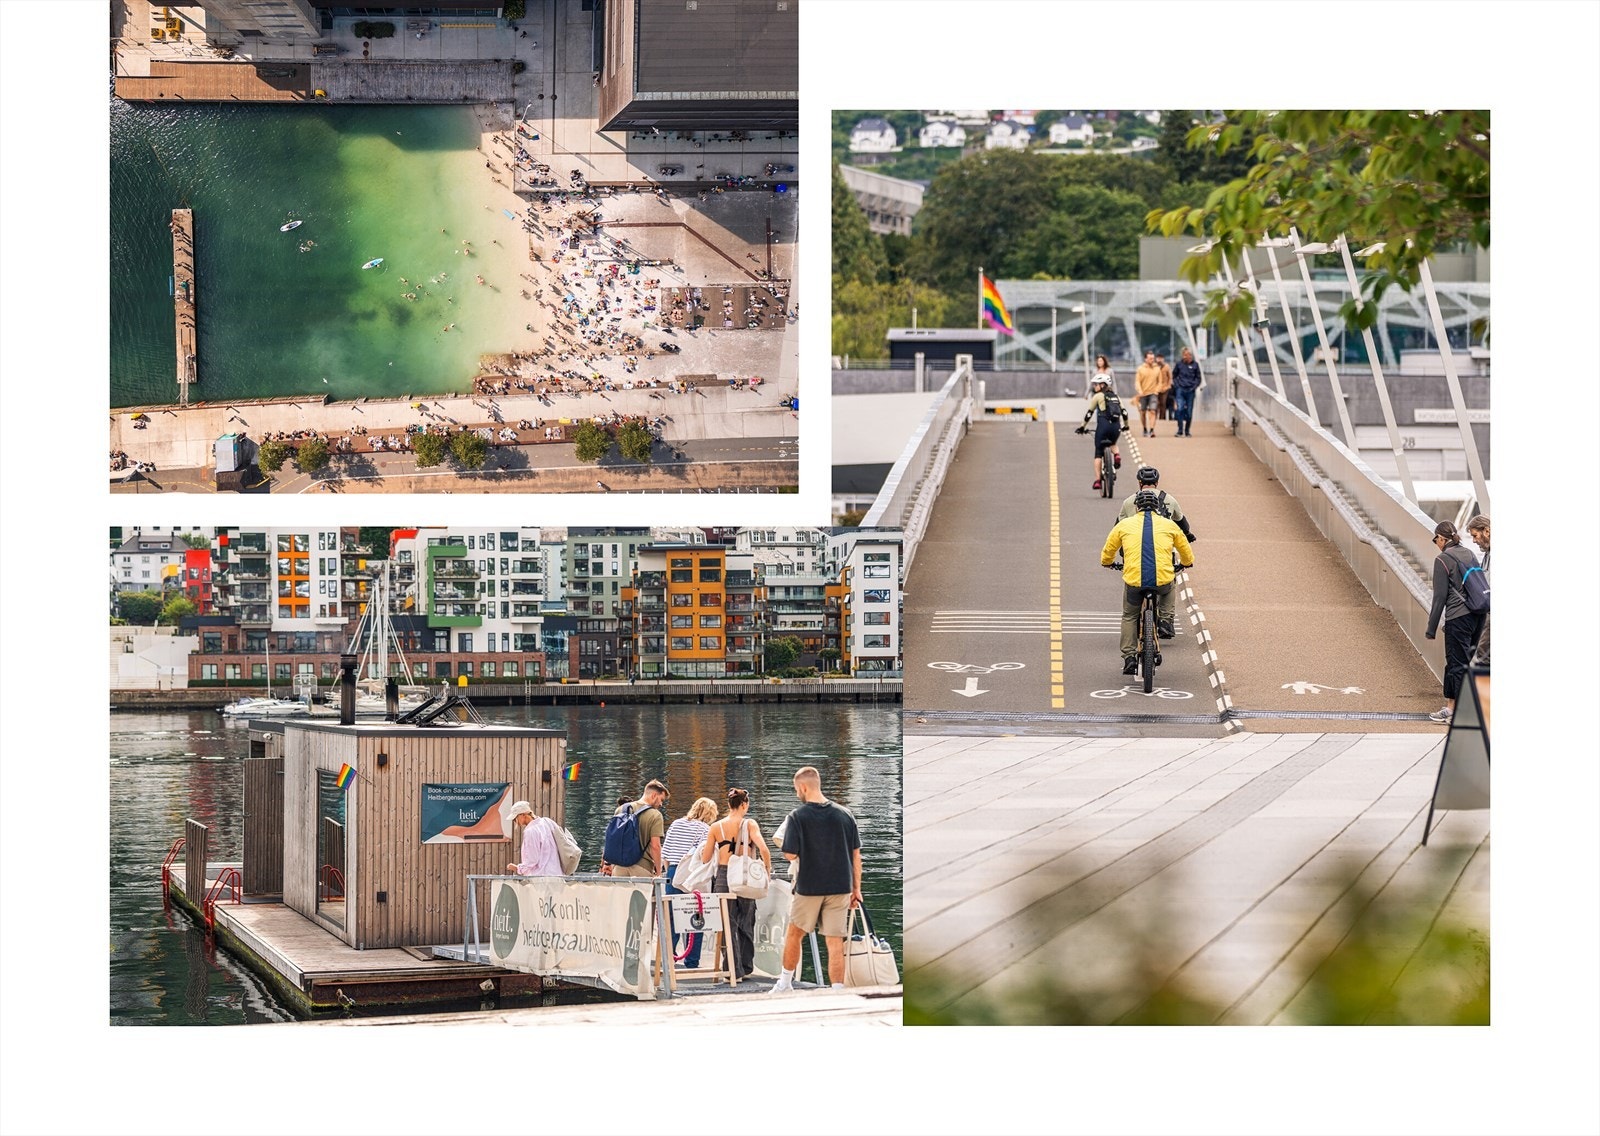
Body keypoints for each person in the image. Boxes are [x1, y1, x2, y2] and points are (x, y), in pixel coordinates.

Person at [770, 767, 862, 993]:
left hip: (809, 887)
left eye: (796, 789)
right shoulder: (845, 814)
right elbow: (856, 856)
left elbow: (790, 853)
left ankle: (785, 983)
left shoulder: (797, 816)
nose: (796, 794)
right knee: (834, 942)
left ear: (802, 787)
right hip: (840, 887)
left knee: (794, 934)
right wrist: (856, 889)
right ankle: (837, 990)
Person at [1101, 490, 1195, 675]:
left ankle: (1129, 657)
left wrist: (1109, 563)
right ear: (1157, 508)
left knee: (1129, 616)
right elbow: (1186, 551)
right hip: (1162, 579)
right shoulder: (1169, 525)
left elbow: (1109, 550)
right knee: (1170, 586)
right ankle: (1166, 621)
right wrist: (1186, 563)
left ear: (1136, 507)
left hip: (1134, 581)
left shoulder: (1124, 525)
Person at [700, 788, 771, 980]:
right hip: (745, 876)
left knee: (726, 923)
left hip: (724, 876)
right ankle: (746, 967)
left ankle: (733, 970)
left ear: (729, 805)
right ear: (744, 805)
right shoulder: (749, 824)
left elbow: (706, 858)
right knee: (746, 922)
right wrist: (767, 869)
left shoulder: (716, 827)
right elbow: (764, 849)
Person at [1118, 467, 1196, 639]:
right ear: (1157, 482)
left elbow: (1117, 527)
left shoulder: (1129, 501)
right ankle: (1166, 620)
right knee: (1169, 579)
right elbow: (1182, 524)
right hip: (1163, 551)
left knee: (1131, 593)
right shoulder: (1170, 499)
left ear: (1139, 483)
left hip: (1135, 554)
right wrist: (1188, 536)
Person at [1424, 521, 1485, 723]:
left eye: (1436, 540)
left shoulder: (1442, 559)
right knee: (1461, 662)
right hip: (1478, 616)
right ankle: (1452, 708)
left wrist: (1431, 628)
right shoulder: (1468, 553)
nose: (1436, 543)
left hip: (1458, 617)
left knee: (1456, 663)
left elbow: (1440, 597)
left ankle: (1458, 713)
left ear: (1442, 538)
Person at [662, 797, 717, 969]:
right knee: (695, 918)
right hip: (692, 876)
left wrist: (670, 873)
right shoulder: (706, 829)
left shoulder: (676, 824)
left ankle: (668, 959)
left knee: (671, 918)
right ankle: (692, 962)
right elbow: (704, 858)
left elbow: (665, 854)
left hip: (672, 873)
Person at [1075, 376, 1128, 491]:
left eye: (1096, 384)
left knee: (1099, 452)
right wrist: (1126, 426)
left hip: (1103, 426)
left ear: (1102, 385)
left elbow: (1089, 413)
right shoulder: (1116, 397)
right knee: (1113, 442)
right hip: (1115, 426)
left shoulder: (1098, 396)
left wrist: (1082, 427)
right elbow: (1124, 412)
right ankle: (1117, 456)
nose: (1094, 386)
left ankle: (1098, 481)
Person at [608, 779, 668, 878]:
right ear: (653, 795)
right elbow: (655, 846)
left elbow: (612, 839)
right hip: (642, 868)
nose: (661, 804)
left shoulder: (621, 809)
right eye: (661, 799)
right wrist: (658, 872)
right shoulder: (655, 815)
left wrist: (607, 864)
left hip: (619, 867)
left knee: (621, 894)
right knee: (644, 894)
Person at [505, 800, 563, 877]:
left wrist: (517, 868)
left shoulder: (530, 831)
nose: (515, 821)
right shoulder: (547, 822)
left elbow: (532, 859)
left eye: (515, 818)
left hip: (541, 878)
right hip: (557, 874)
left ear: (523, 815)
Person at [1171, 347, 1202, 436]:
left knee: (1189, 412)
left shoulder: (1195, 365)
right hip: (1180, 389)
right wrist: (1177, 385)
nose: (1185, 357)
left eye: (1186, 355)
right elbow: (1174, 375)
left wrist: (1194, 386)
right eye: (1184, 355)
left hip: (1190, 390)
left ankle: (1187, 430)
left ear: (1190, 356)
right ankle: (1180, 430)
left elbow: (1198, 378)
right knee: (1180, 409)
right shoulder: (1179, 364)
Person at [1134, 349, 1163, 437]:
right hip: (1143, 393)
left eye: (1153, 358)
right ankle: (1144, 428)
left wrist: (1157, 390)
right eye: (1150, 358)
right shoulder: (1140, 369)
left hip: (1153, 393)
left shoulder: (1157, 369)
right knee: (1143, 412)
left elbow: (1160, 381)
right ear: (1145, 359)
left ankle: (1152, 430)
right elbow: (1137, 381)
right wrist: (1140, 390)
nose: (1152, 360)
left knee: (1153, 411)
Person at [1154, 352, 1173, 420]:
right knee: (1155, 404)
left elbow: (1170, 377)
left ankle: (1162, 418)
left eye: (1161, 358)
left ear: (1163, 359)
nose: (1159, 360)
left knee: (1163, 403)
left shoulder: (1167, 366)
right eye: (1158, 358)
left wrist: (1168, 385)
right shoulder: (1154, 366)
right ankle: (1154, 418)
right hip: (1156, 388)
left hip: (1164, 388)